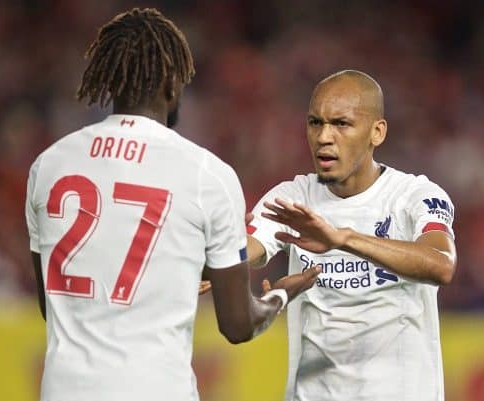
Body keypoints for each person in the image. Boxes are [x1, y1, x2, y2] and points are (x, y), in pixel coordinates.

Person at [24, 8, 319, 401]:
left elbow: (54, 306)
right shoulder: (206, 175)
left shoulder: (49, 165)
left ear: (108, 79)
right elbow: (238, 325)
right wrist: (282, 293)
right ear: (171, 81)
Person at [246, 70, 457, 401]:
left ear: (377, 132)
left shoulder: (415, 196)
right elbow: (249, 250)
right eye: (315, 123)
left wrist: (342, 239)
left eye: (341, 124)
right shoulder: (292, 197)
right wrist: (221, 259)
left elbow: (441, 265)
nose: (323, 137)